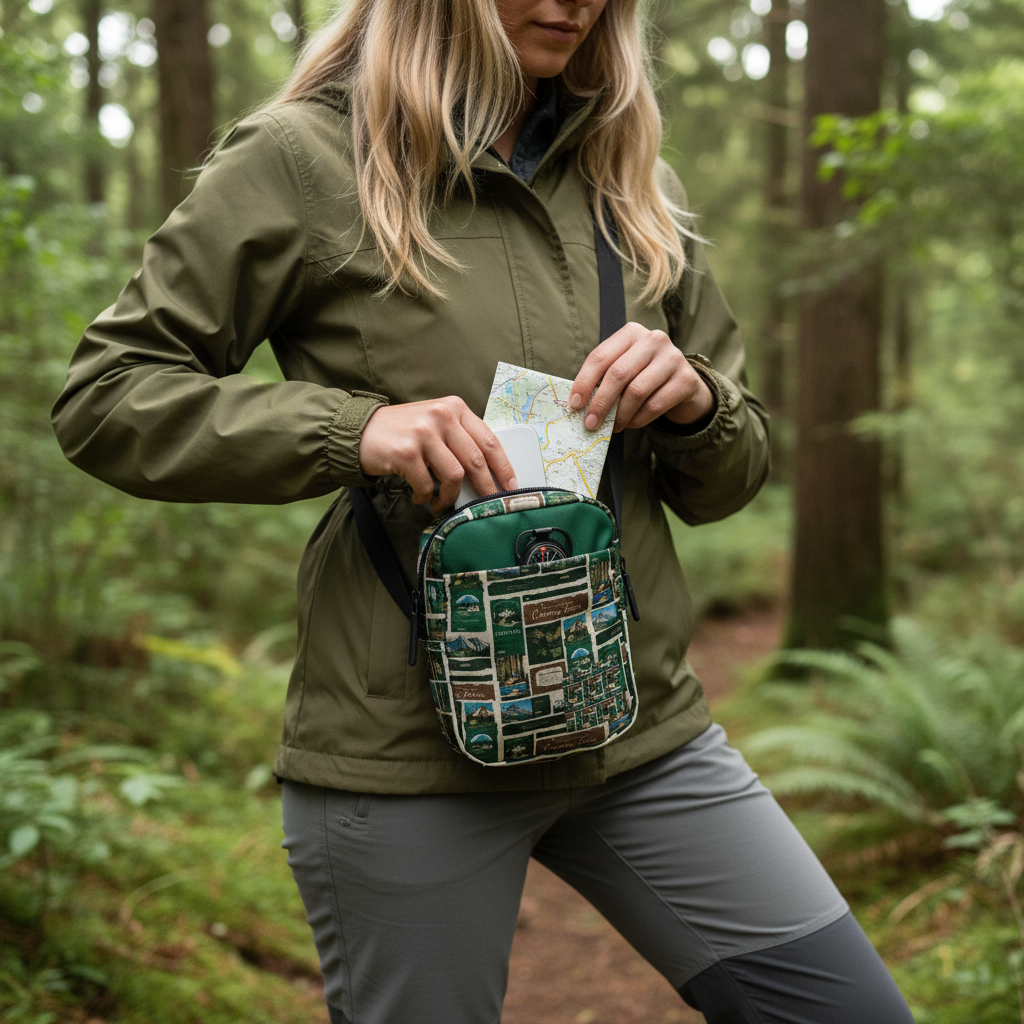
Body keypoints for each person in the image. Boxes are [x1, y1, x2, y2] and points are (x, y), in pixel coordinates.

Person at [52, 1, 915, 1021]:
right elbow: (106, 396)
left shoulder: (635, 185)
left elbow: (727, 480)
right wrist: (352, 431)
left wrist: (696, 402)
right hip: (405, 755)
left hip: (637, 732)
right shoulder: (302, 158)